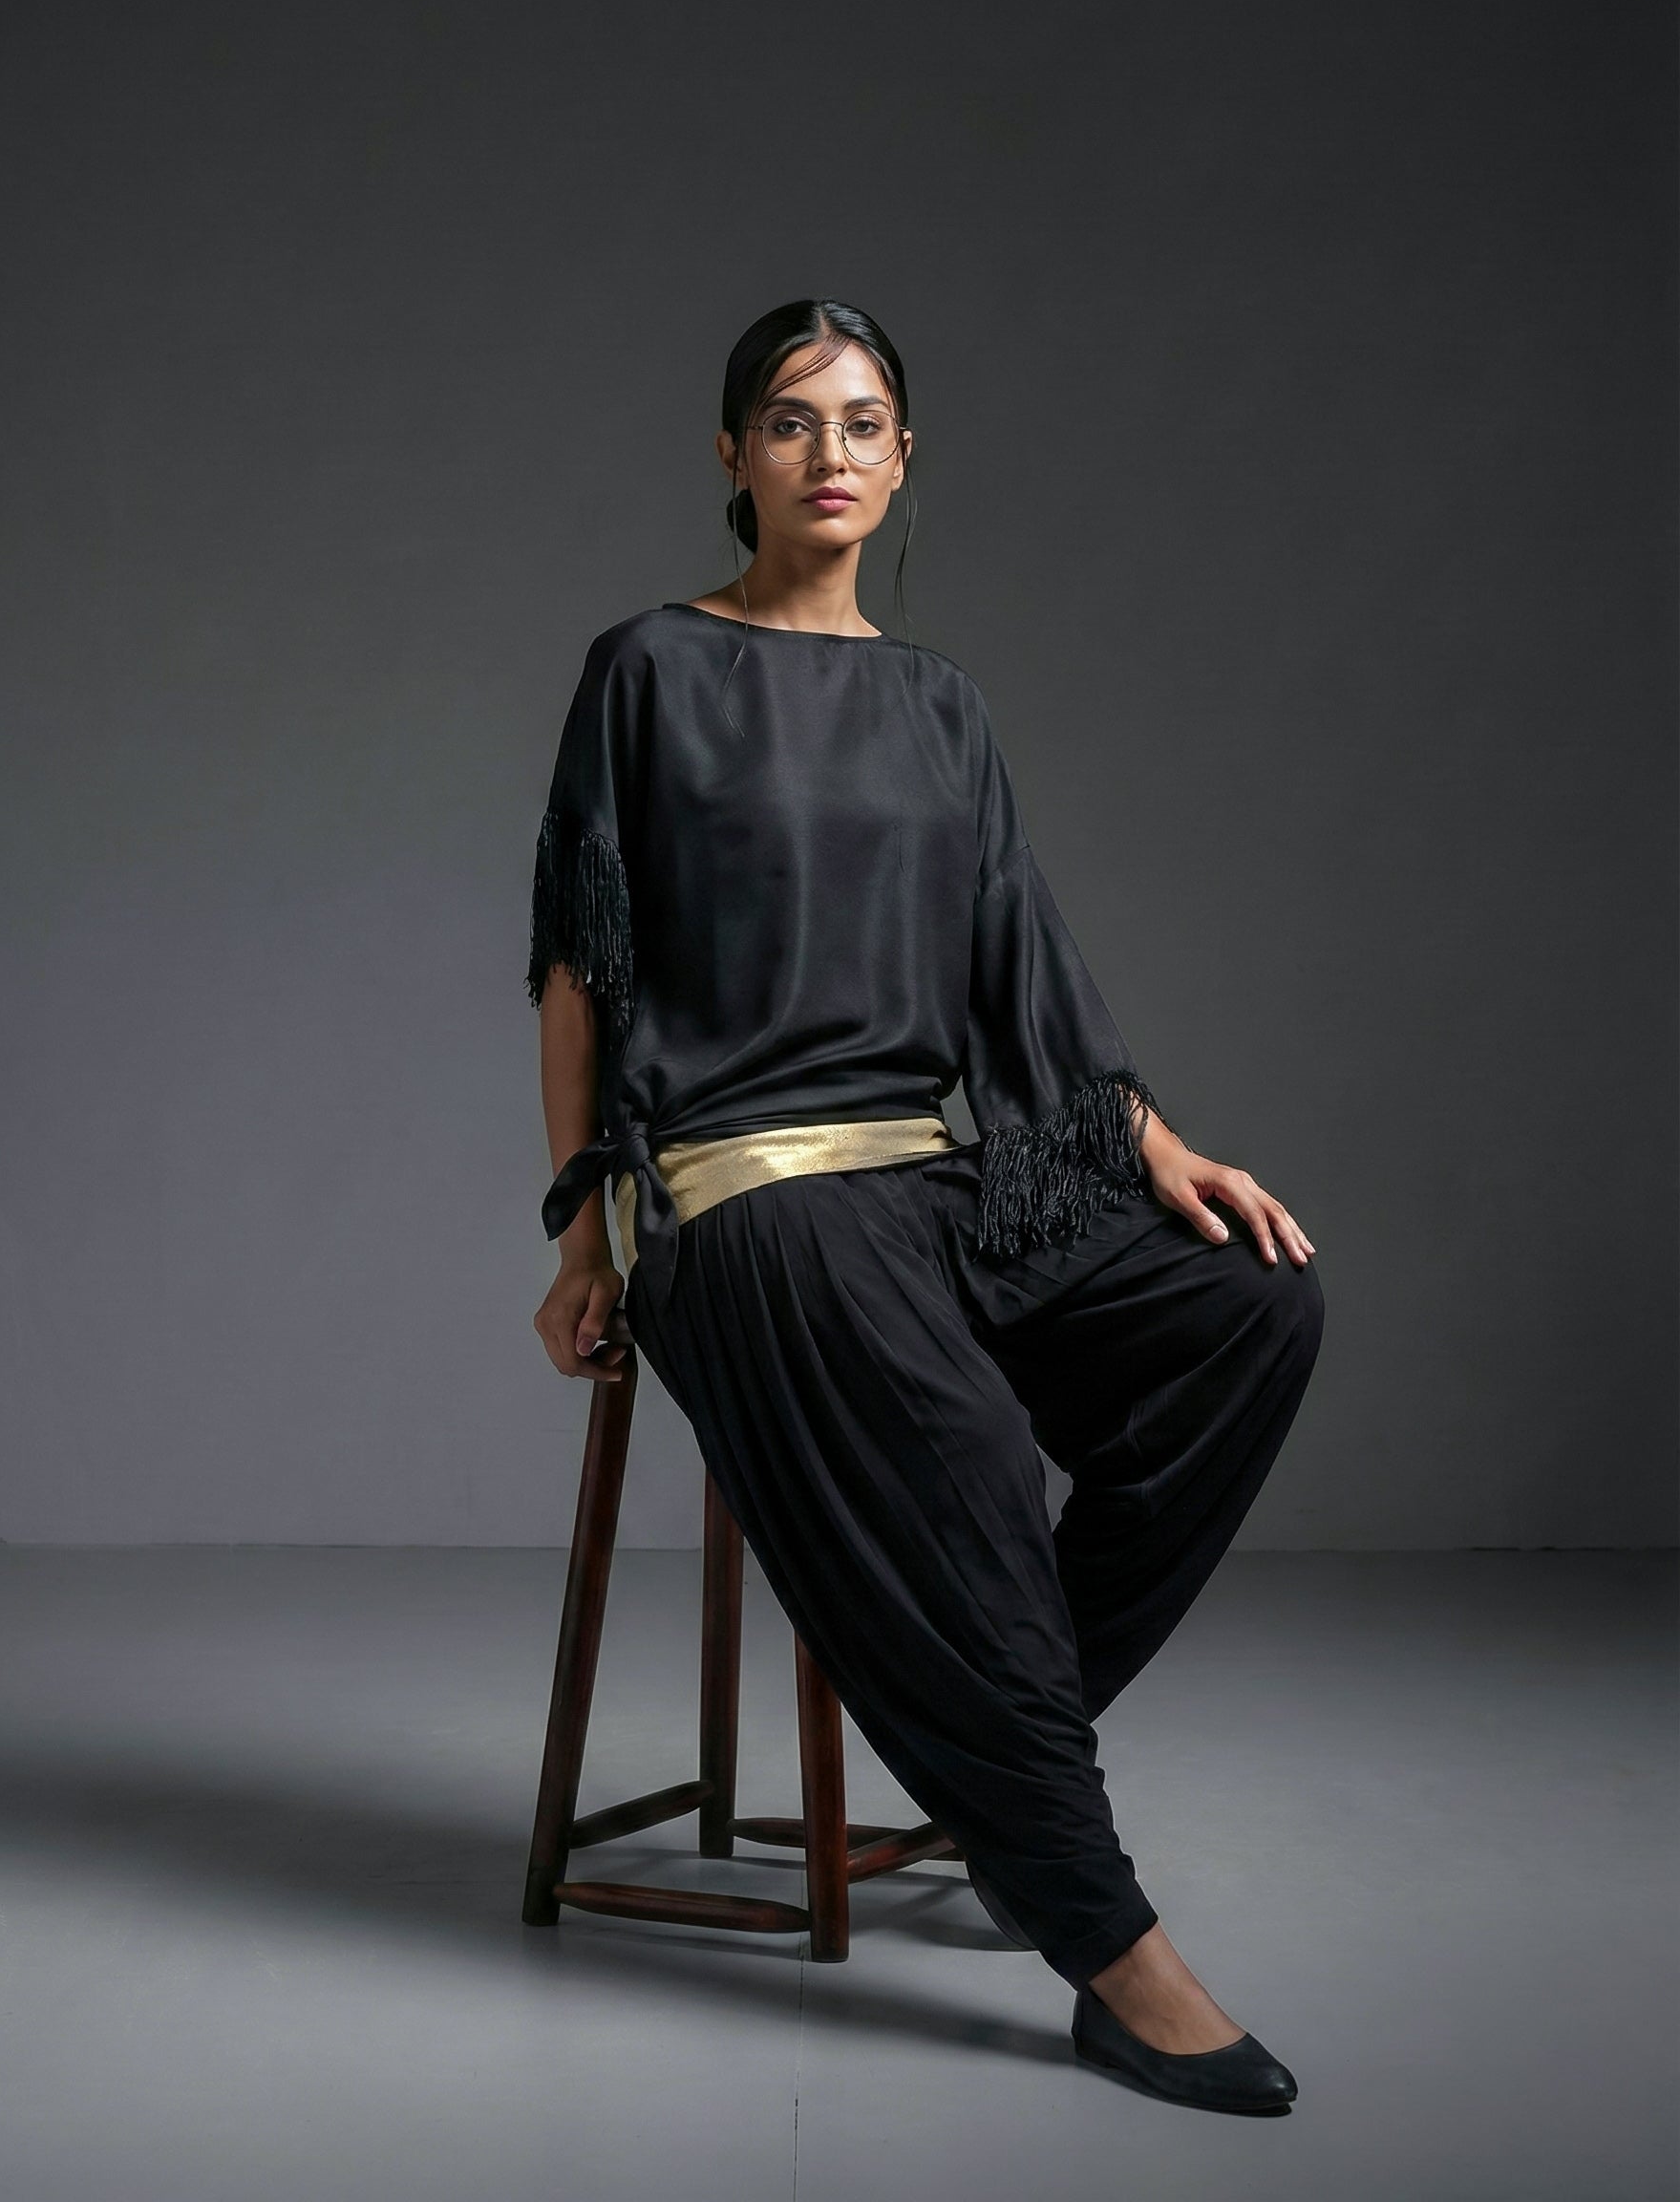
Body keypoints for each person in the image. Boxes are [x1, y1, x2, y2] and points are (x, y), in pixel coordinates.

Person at [528, 299, 1325, 2116]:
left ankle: (996, 1762)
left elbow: (1019, 962)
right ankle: (1114, 1953)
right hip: (740, 1195)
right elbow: (580, 963)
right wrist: (582, 1231)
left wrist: (1158, 1145)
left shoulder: (940, 702)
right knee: (968, 1446)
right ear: (733, 457)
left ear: (903, 461)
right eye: (790, 419)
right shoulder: (647, 667)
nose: (830, 451)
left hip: (923, 1178)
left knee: (1252, 1307)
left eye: (864, 421)